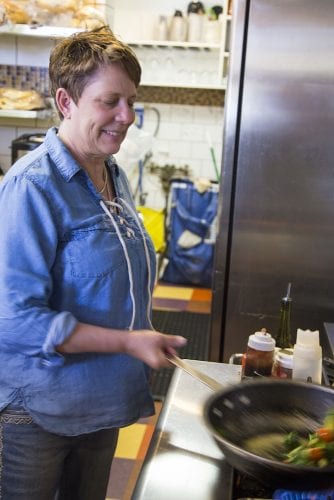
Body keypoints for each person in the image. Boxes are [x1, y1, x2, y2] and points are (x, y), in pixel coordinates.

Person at [0, 27, 186, 500]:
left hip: (101, 406)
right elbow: (15, 321)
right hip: (39, 412)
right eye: (110, 102)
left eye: (131, 101)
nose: (127, 117)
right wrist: (127, 342)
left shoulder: (110, 173)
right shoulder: (32, 187)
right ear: (66, 102)